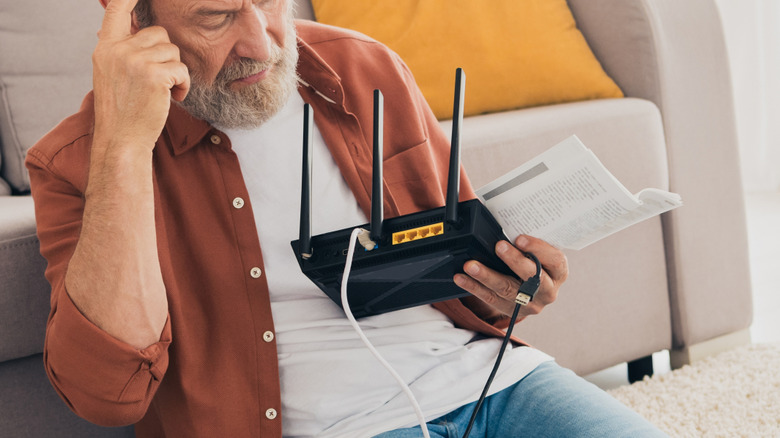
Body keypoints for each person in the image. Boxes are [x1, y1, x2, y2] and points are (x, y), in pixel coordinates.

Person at [25, 0, 667, 436]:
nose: (262, 43)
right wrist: (124, 145)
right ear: (135, 21)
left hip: (491, 384)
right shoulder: (78, 161)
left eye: (269, 0)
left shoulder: (365, 67)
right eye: (217, 15)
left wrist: (513, 290)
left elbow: (463, 274)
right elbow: (105, 394)